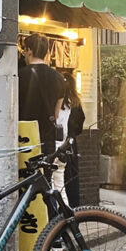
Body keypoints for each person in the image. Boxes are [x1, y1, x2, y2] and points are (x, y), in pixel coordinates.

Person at [18, 34, 65, 157]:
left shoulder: (18, 76)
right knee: (44, 175)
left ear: (29, 51)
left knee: (24, 175)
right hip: (47, 140)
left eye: (24, 50)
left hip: (22, 139)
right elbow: (56, 114)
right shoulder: (59, 78)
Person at [62, 72, 85, 207]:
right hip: (71, 144)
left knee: (60, 180)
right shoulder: (75, 102)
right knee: (72, 178)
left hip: (59, 144)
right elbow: (80, 124)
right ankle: (74, 209)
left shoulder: (58, 102)